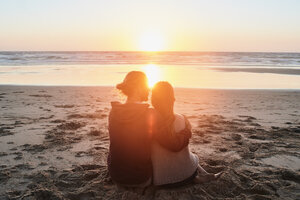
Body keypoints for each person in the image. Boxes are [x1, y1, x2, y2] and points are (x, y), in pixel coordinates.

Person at [107, 71, 191, 188]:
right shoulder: (149, 114)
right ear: (139, 87)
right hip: (139, 179)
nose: (149, 89)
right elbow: (174, 145)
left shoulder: (113, 111)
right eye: (147, 86)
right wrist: (186, 131)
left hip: (115, 175)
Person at [150, 81, 222, 187]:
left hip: (159, 181)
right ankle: (206, 175)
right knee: (190, 155)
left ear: (153, 99)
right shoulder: (181, 119)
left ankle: (205, 174)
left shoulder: (148, 120)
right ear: (172, 99)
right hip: (186, 176)